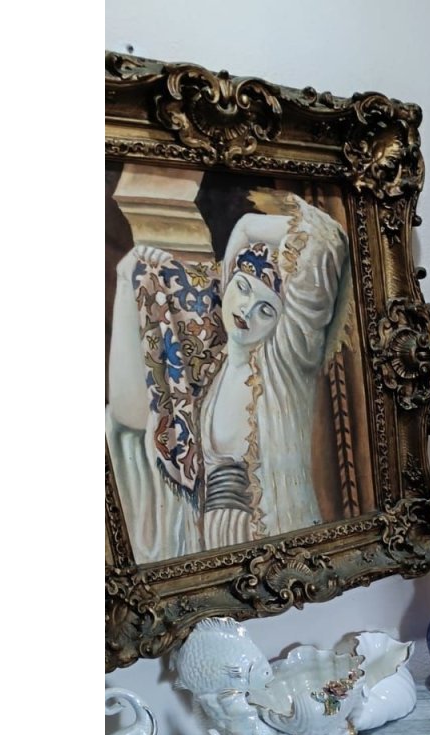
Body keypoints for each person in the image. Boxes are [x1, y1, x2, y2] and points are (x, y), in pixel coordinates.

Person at [107, 193, 350, 560]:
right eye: (243, 288)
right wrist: (134, 275)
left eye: (266, 309)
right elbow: (130, 417)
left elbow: (326, 241)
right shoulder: (208, 371)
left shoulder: (283, 364)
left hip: (270, 545)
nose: (247, 311)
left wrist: (245, 228)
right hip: (208, 546)